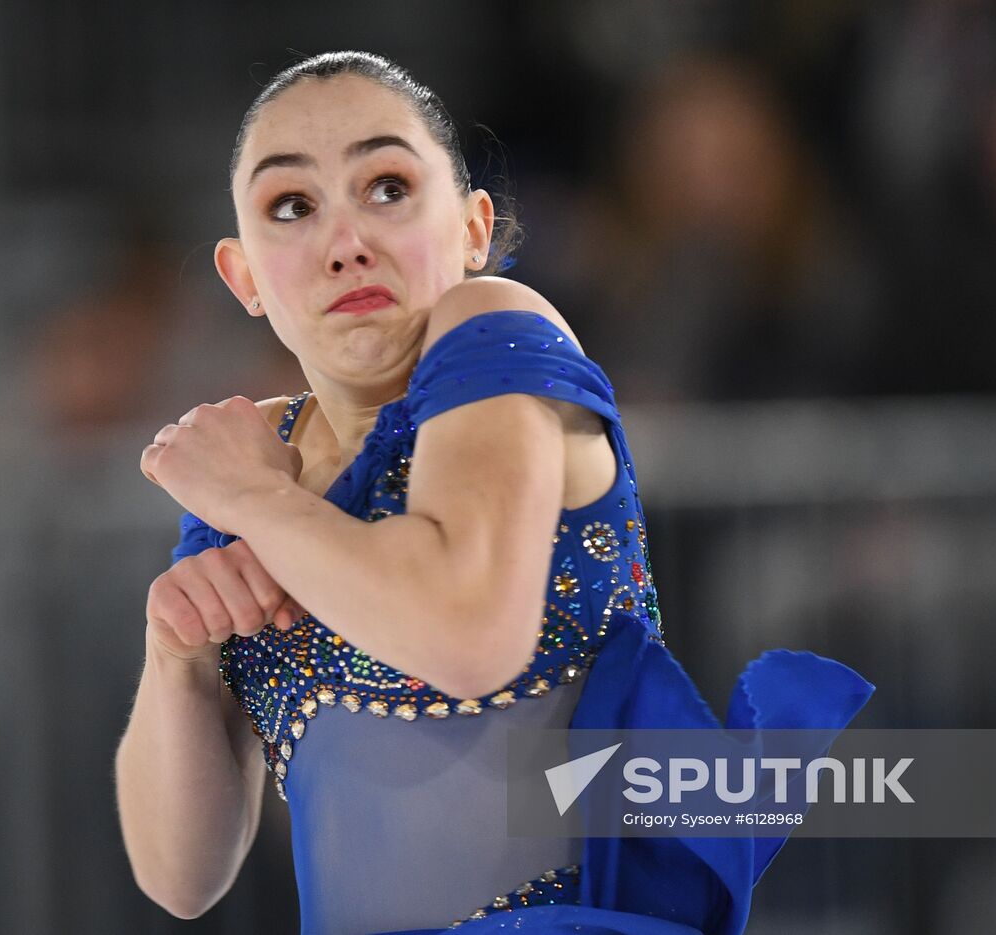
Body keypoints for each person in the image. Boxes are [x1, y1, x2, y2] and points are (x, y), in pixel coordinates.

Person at [114, 51, 875, 935]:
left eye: (388, 186)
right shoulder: (252, 461)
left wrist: (255, 503)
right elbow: (181, 874)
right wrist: (176, 659)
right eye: (292, 206)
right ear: (243, 277)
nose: (345, 240)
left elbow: (467, 633)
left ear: (475, 229)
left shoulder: (495, 327)